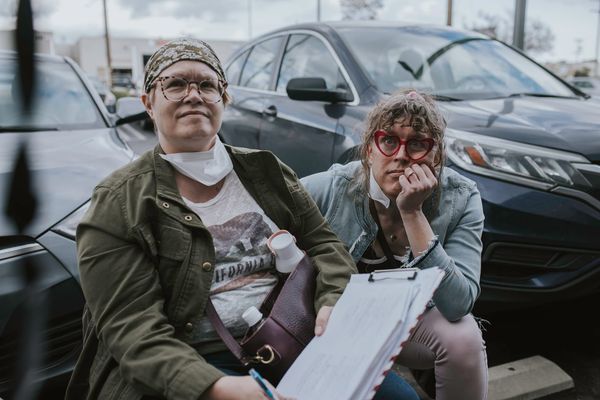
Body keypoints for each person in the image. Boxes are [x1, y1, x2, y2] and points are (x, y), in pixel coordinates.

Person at [65, 38, 418, 400]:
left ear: (224, 98)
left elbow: (324, 244)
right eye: (174, 84)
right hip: (196, 360)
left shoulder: (266, 171)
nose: (194, 95)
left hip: (294, 337)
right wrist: (221, 388)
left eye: (207, 85)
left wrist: (332, 300)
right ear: (148, 104)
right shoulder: (118, 203)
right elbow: (134, 331)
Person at [302, 89, 489, 400]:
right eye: (388, 140)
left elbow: (459, 303)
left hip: (406, 323)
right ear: (369, 150)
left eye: (417, 143)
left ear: (436, 156)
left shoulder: (461, 197)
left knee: (464, 338)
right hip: (330, 321)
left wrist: (412, 212)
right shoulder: (329, 189)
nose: (401, 155)